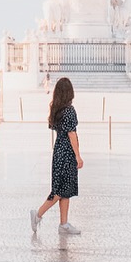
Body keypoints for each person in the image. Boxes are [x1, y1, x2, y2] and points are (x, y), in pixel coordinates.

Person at [30, 75, 83, 238]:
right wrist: (78, 156)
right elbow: (72, 134)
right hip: (67, 152)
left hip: (58, 151)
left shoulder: (56, 109)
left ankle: (64, 224)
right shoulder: (69, 110)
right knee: (60, 190)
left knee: (65, 189)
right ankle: (38, 214)